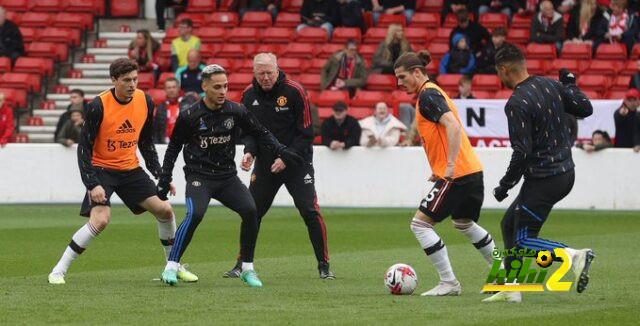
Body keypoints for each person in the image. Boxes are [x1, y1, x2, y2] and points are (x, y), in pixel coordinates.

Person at [47, 58, 198, 285]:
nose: (132, 84)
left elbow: (145, 142)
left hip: (130, 169)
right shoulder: (98, 105)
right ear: (114, 80)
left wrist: (160, 174)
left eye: (135, 79)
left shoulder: (145, 101)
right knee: (101, 220)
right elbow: (84, 148)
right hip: (102, 170)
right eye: (127, 80)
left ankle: (172, 266)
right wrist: (92, 183)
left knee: (165, 210)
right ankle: (58, 270)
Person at [158, 64, 303, 287]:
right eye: (217, 87)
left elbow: (260, 132)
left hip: (226, 177)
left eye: (225, 86)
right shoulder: (190, 116)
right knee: (195, 213)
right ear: (204, 87)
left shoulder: (236, 110)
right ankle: (171, 266)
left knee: (251, 210)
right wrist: (164, 178)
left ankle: (247, 268)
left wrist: (281, 150)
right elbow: (173, 148)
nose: (223, 91)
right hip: (199, 176)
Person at [485, 44, 595, 303]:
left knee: (523, 240)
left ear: (503, 69)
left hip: (545, 178)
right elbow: (585, 108)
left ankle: (573, 256)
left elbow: (522, 152)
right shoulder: (551, 85)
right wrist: (569, 84)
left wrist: (505, 185)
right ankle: (511, 288)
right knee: (508, 224)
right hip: (564, 173)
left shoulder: (517, 102)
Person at [393, 51, 499, 296]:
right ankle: (504, 274)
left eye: (402, 76)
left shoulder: (428, 95)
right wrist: (440, 167)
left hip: (458, 174)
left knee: (420, 224)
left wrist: (449, 167)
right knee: (465, 223)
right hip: (471, 170)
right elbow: (442, 133)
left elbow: (451, 125)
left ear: (417, 73)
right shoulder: (433, 92)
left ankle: (449, 282)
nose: (399, 83)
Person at [223, 53, 335, 279]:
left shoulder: (295, 92)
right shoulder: (248, 94)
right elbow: (249, 132)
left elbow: (306, 134)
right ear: (254, 73)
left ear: (277, 70)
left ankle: (324, 266)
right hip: (266, 165)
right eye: (260, 73)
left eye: (269, 73)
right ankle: (241, 264)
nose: (265, 77)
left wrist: (286, 158)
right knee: (251, 212)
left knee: (310, 211)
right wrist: (249, 152)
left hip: (297, 163)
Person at [153, 77, 186, 144]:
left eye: (174, 87)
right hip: (165, 144)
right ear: (165, 90)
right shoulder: (161, 107)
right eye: (169, 87)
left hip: (184, 144)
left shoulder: (187, 104)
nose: (171, 90)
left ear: (178, 88)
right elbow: (156, 130)